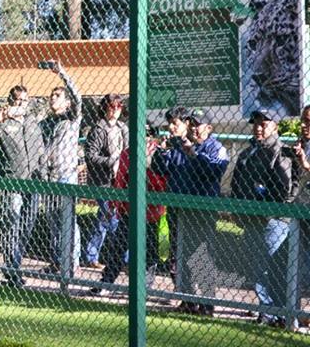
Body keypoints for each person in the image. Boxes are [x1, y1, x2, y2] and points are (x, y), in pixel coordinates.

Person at [151, 107, 229, 315]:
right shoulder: (182, 146)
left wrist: (193, 154)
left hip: (201, 211)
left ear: (209, 128)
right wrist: (163, 151)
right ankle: (186, 300)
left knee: (202, 256)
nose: (194, 129)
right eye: (192, 124)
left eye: (198, 125)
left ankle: (206, 304)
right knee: (180, 255)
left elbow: (213, 172)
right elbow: (160, 169)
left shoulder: (215, 148)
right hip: (179, 209)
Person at [230, 108, 294, 327]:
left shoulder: (281, 152)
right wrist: (238, 210)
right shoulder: (248, 153)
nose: (258, 127)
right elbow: (236, 184)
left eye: (264, 124)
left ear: (275, 126)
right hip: (251, 219)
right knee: (257, 268)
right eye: (255, 123)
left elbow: (283, 190)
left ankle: (279, 314)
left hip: (273, 219)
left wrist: (261, 194)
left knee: (273, 267)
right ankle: (266, 311)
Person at [89, 123, 166, 296]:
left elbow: (162, 184)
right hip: (128, 211)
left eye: (147, 135)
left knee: (150, 251)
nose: (143, 139)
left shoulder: (159, 154)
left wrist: (146, 175)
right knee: (117, 248)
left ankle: (144, 288)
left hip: (150, 213)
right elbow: (120, 181)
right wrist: (114, 205)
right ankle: (106, 283)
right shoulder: (127, 154)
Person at [0, 85, 44, 286]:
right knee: (12, 223)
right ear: (10, 101)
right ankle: (13, 269)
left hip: (34, 181)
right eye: (17, 100)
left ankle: (15, 262)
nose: (21, 104)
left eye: (24, 101)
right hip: (11, 181)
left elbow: (41, 148)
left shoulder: (33, 122)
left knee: (27, 223)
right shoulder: (2, 122)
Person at [38, 60, 82, 278]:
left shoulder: (72, 118)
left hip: (66, 175)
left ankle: (72, 263)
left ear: (66, 102)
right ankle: (57, 262)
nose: (52, 99)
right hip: (50, 177)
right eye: (51, 96)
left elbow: (78, 97)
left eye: (57, 96)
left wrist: (61, 73)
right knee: (53, 222)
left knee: (68, 221)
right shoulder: (48, 123)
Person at [84, 93, 128, 269]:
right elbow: (90, 156)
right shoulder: (98, 129)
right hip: (103, 181)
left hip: (120, 181)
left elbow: (127, 151)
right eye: (112, 106)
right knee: (113, 220)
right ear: (105, 108)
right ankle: (123, 260)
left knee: (104, 220)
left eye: (119, 106)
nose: (116, 110)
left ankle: (91, 255)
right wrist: (111, 161)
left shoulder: (123, 128)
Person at [291, 105, 310, 328]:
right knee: (297, 265)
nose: (305, 126)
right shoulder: (301, 144)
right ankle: (294, 314)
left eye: (309, 121)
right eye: (303, 121)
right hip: (300, 212)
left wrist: (306, 165)